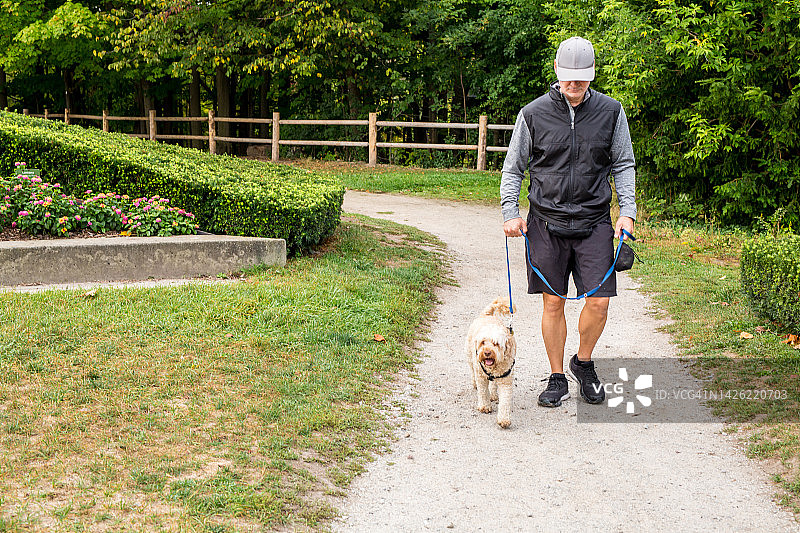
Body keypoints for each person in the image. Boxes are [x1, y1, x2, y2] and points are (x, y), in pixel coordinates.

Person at [500, 36, 636, 408]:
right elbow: (513, 168)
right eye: (569, 78)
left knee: (600, 303)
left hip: (595, 223)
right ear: (557, 71)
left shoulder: (611, 112)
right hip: (546, 223)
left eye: (582, 80)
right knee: (553, 303)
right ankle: (557, 376)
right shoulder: (532, 114)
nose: (574, 86)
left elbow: (623, 163)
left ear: (591, 77)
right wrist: (510, 212)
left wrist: (627, 212)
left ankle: (584, 363)